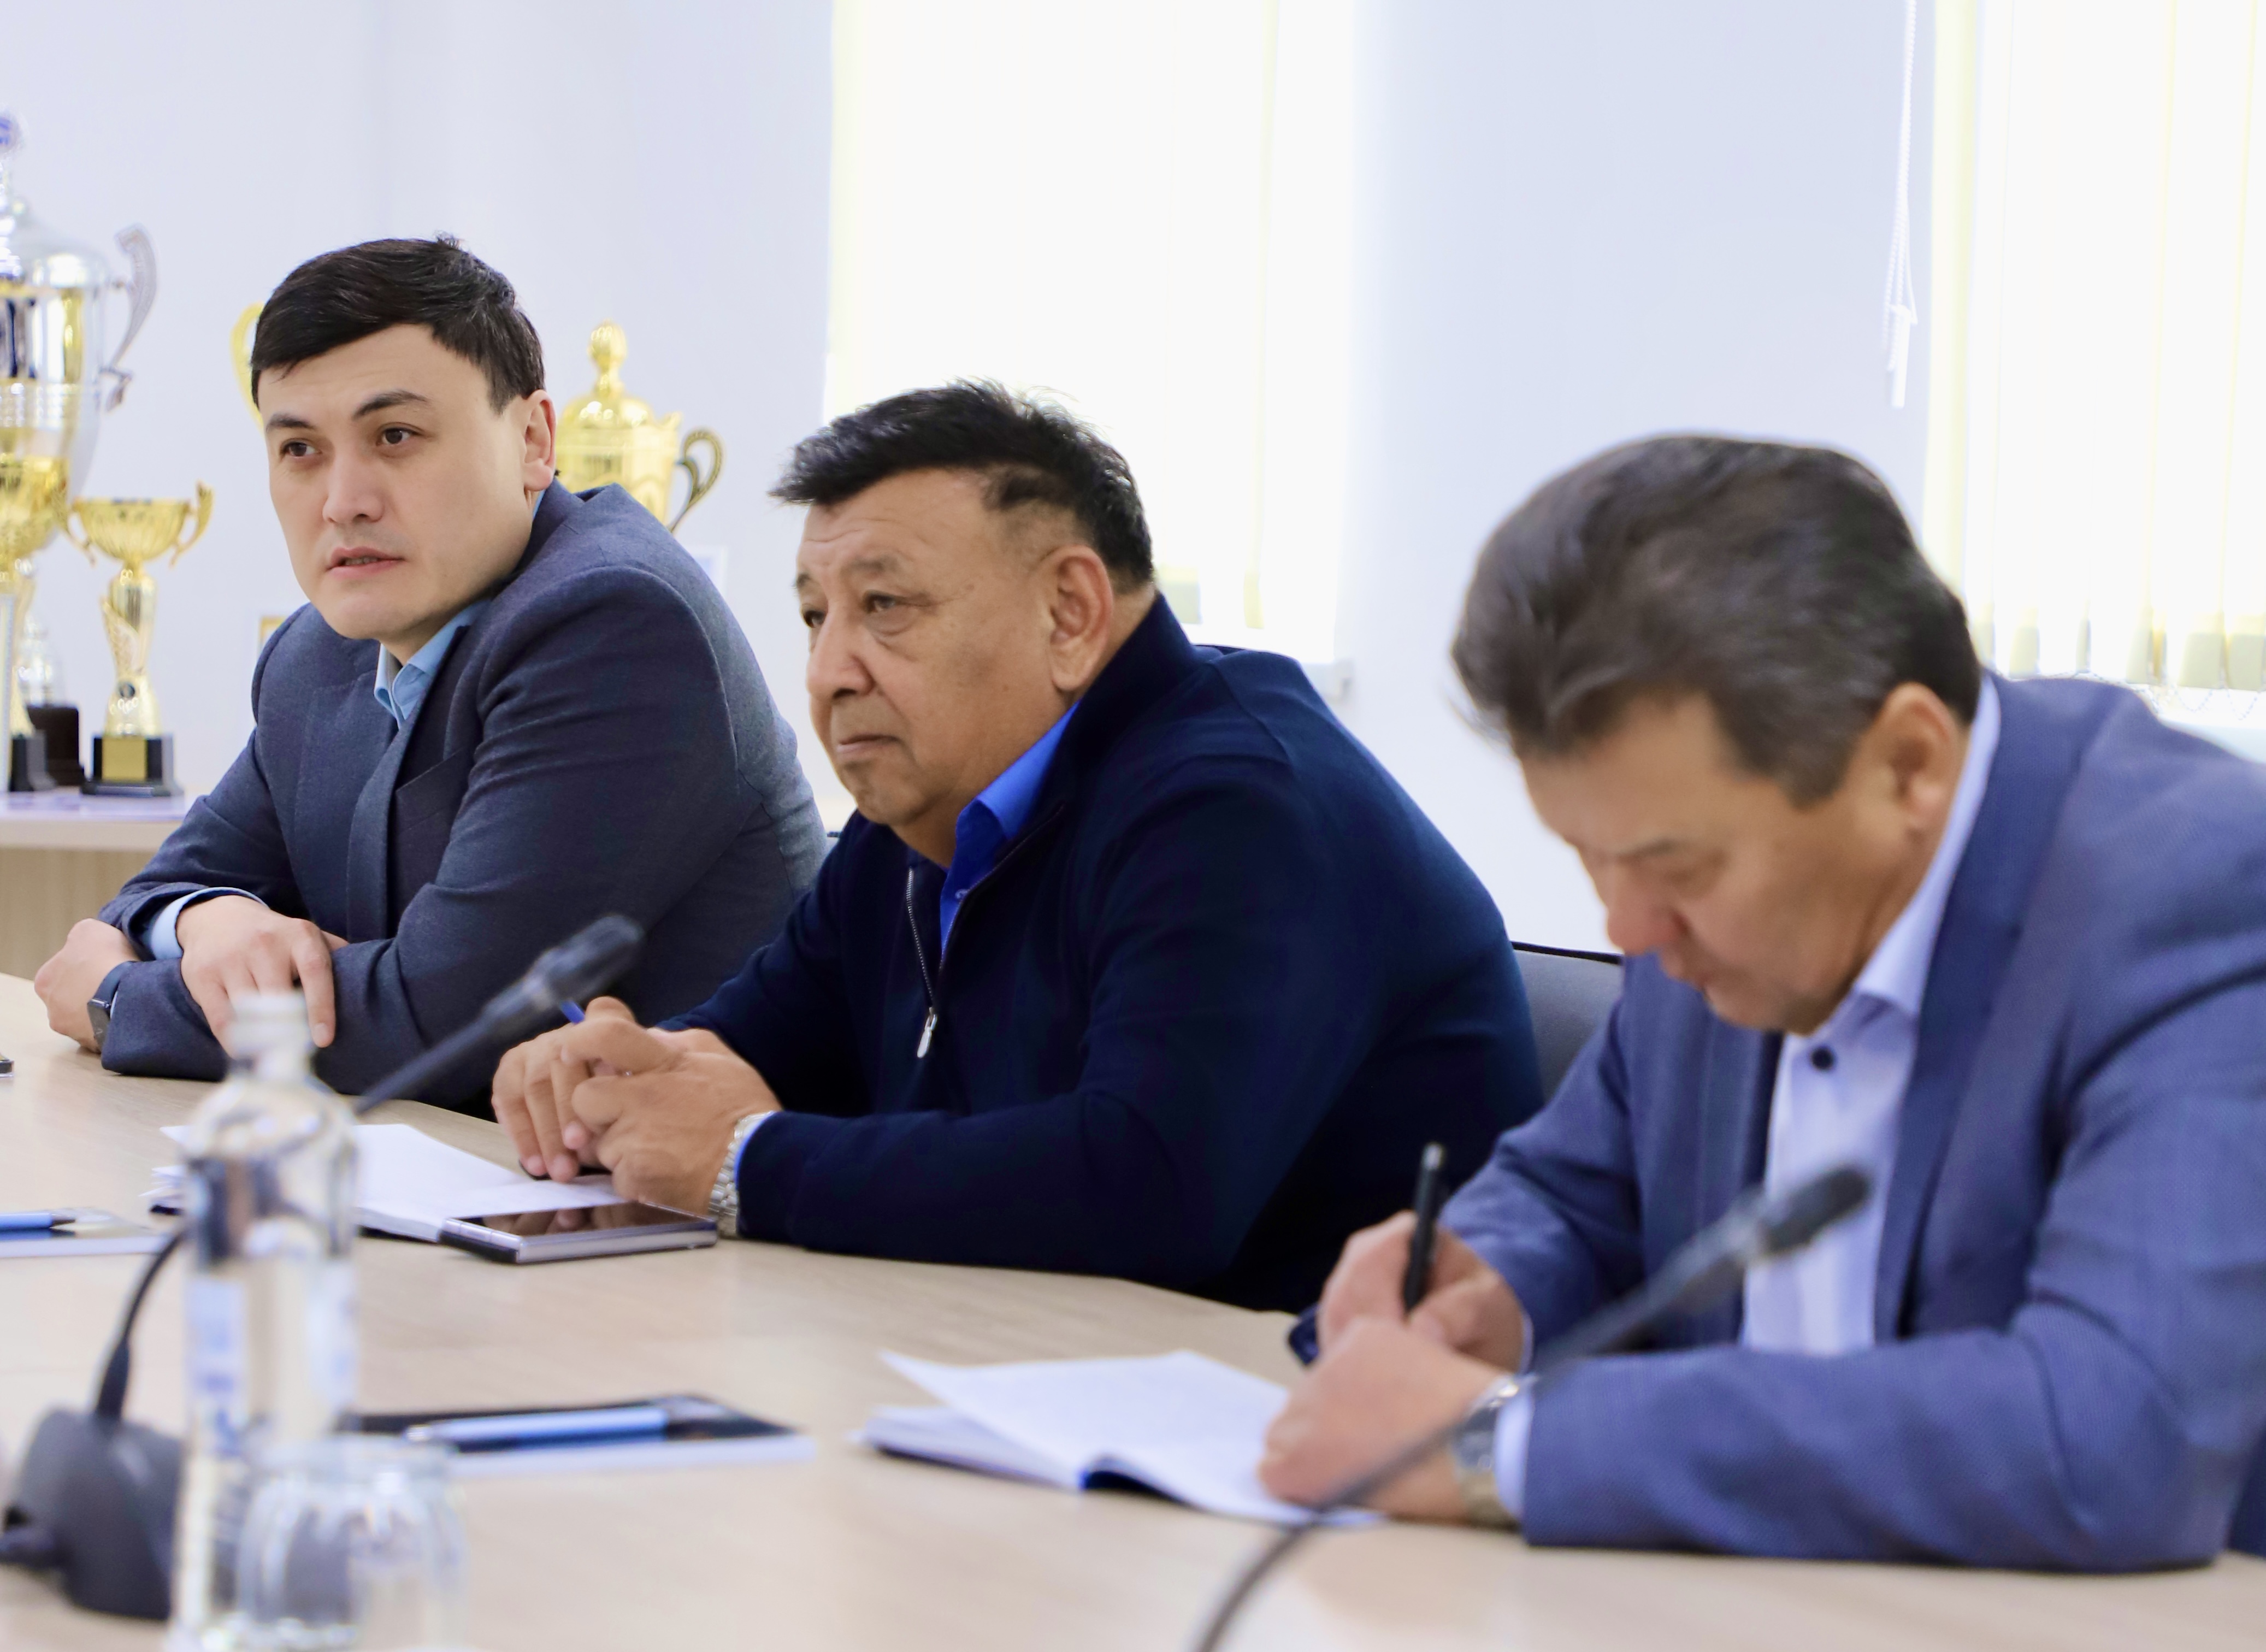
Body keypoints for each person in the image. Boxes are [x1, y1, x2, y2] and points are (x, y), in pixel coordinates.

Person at [1258, 435, 2266, 1567]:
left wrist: (1502, 1444)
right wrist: (1487, 1286)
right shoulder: (1701, 900)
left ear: (1908, 766)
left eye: (1676, 869)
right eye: (1589, 859)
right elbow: (1576, 1195)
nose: (1627, 930)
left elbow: (2115, 1436)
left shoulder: (2197, 891)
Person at [490, 382, 1544, 1310]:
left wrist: (745, 1163)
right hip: (1012, 1370)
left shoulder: (1240, 809)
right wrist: (617, 1075)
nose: (828, 673)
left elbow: (1149, 1183)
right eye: (815, 617)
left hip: (1282, 1415)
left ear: (1070, 614)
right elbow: (744, 1055)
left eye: (885, 606)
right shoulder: (916, 818)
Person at [32, 238, 827, 1105]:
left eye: (396, 436)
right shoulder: (317, 653)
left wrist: (121, 999)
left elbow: (440, 1022)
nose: (344, 501)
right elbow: (156, 893)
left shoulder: (617, 623)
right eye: (299, 449)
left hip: (690, 1186)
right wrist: (213, 920)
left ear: (534, 441)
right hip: (453, 1168)